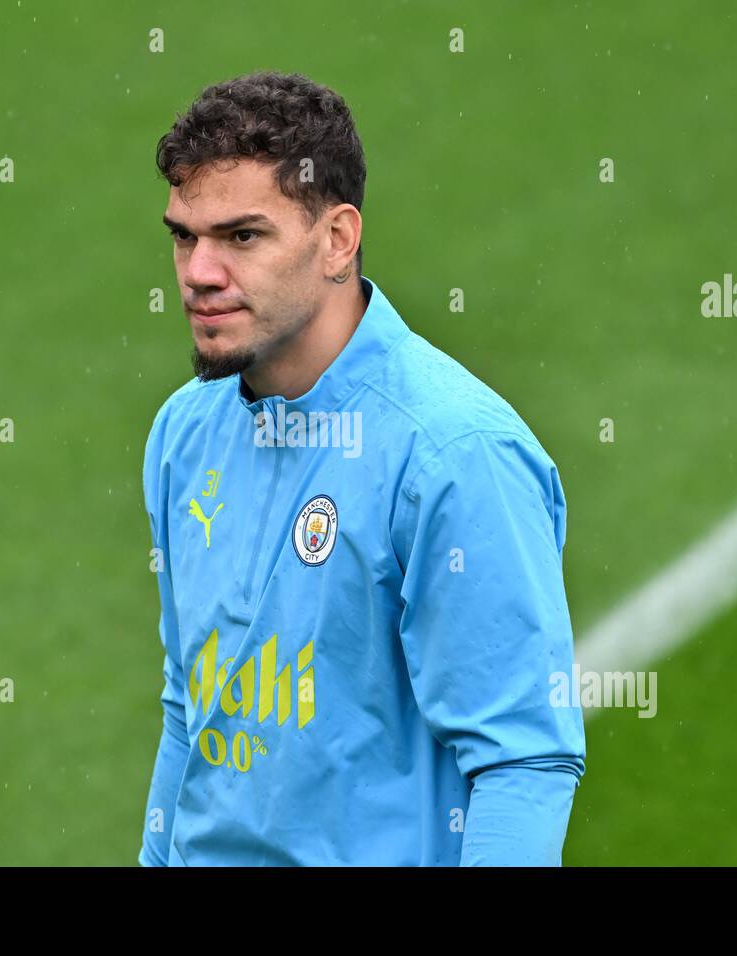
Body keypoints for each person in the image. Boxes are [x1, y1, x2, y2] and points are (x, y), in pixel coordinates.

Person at [139, 70, 585, 865]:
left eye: (242, 237)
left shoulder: (454, 454)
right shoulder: (183, 435)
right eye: (184, 236)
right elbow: (191, 710)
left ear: (337, 240)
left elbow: (521, 763)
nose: (199, 271)